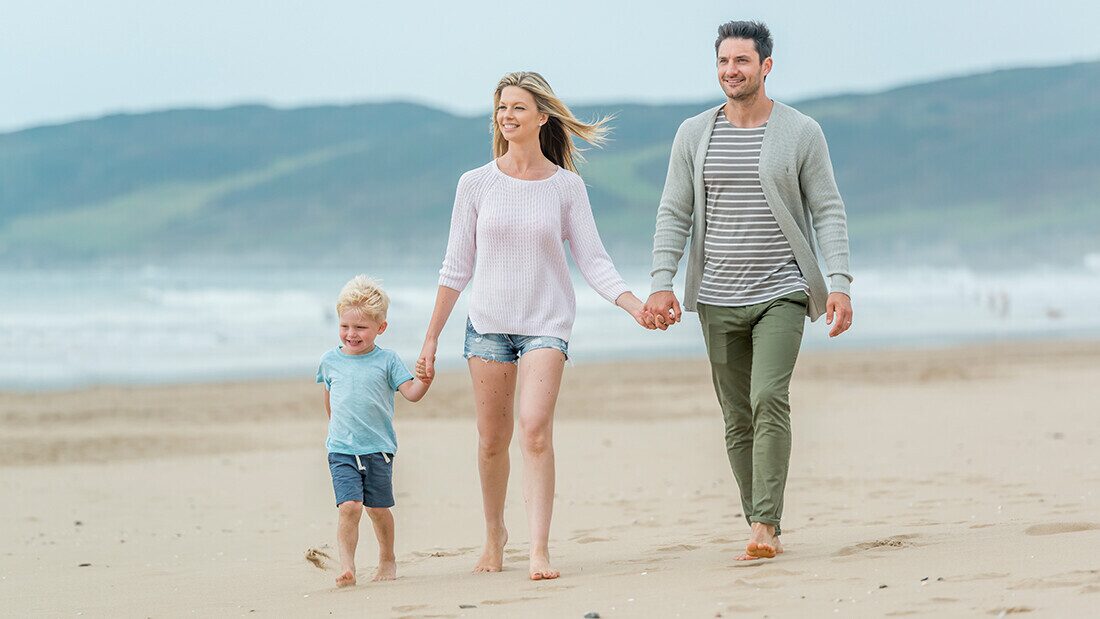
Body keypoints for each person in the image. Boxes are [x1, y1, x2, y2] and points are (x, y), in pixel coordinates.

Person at [416, 71, 651, 580]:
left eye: (518, 107)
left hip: (547, 323)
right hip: (487, 327)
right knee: (491, 440)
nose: (507, 116)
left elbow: (594, 260)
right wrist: (431, 337)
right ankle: (494, 534)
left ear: (542, 117)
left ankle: (539, 549)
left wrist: (633, 305)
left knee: (535, 431)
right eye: (502, 108)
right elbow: (455, 267)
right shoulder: (474, 184)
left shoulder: (567, 187)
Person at [643, 21, 854, 561]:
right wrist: (661, 282)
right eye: (723, 62)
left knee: (768, 398)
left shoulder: (801, 132)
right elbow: (674, 210)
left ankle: (765, 524)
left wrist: (839, 282)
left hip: (781, 289)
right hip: (716, 296)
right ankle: (760, 521)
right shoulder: (693, 133)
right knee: (737, 415)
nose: (730, 71)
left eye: (742, 61)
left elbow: (827, 209)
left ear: (766, 66)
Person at [316, 275, 433, 586]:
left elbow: (411, 393)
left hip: (378, 448)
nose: (351, 334)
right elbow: (331, 403)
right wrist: (338, 435)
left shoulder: (387, 360)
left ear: (380, 327)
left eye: (360, 328)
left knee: (378, 509)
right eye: (345, 326)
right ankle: (347, 567)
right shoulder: (329, 361)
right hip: (341, 448)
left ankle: (387, 558)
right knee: (350, 507)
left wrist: (425, 380)